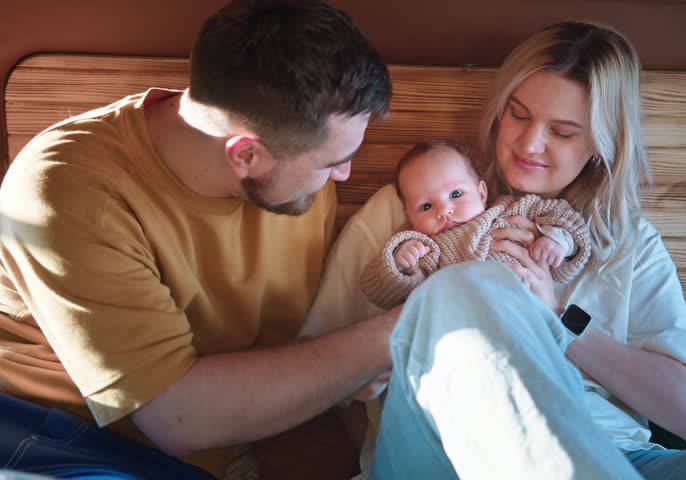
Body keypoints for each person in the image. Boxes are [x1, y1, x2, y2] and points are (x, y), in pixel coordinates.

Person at [302, 20, 686, 479]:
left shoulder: (628, 242)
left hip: (619, 456)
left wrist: (559, 321)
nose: (530, 144)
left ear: (600, 144)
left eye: (563, 131)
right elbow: (318, 372)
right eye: (518, 115)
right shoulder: (417, 204)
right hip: (448, 449)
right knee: (460, 290)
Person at [0, 0, 396, 479]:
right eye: (332, 162)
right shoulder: (67, 191)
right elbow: (177, 417)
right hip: (53, 438)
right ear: (245, 155)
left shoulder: (294, 180)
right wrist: (393, 334)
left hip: (204, 447)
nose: (345, 174)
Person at [359, 138, 591, 309]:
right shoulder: (421, 245)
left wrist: (557, 239)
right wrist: (399, 262)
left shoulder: (510, 212)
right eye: (426, 207)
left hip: (524, 318)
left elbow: (563, 214)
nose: (444, 211)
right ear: (409, 215)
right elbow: (377, 291)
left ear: (481, 193)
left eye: (456, 194)